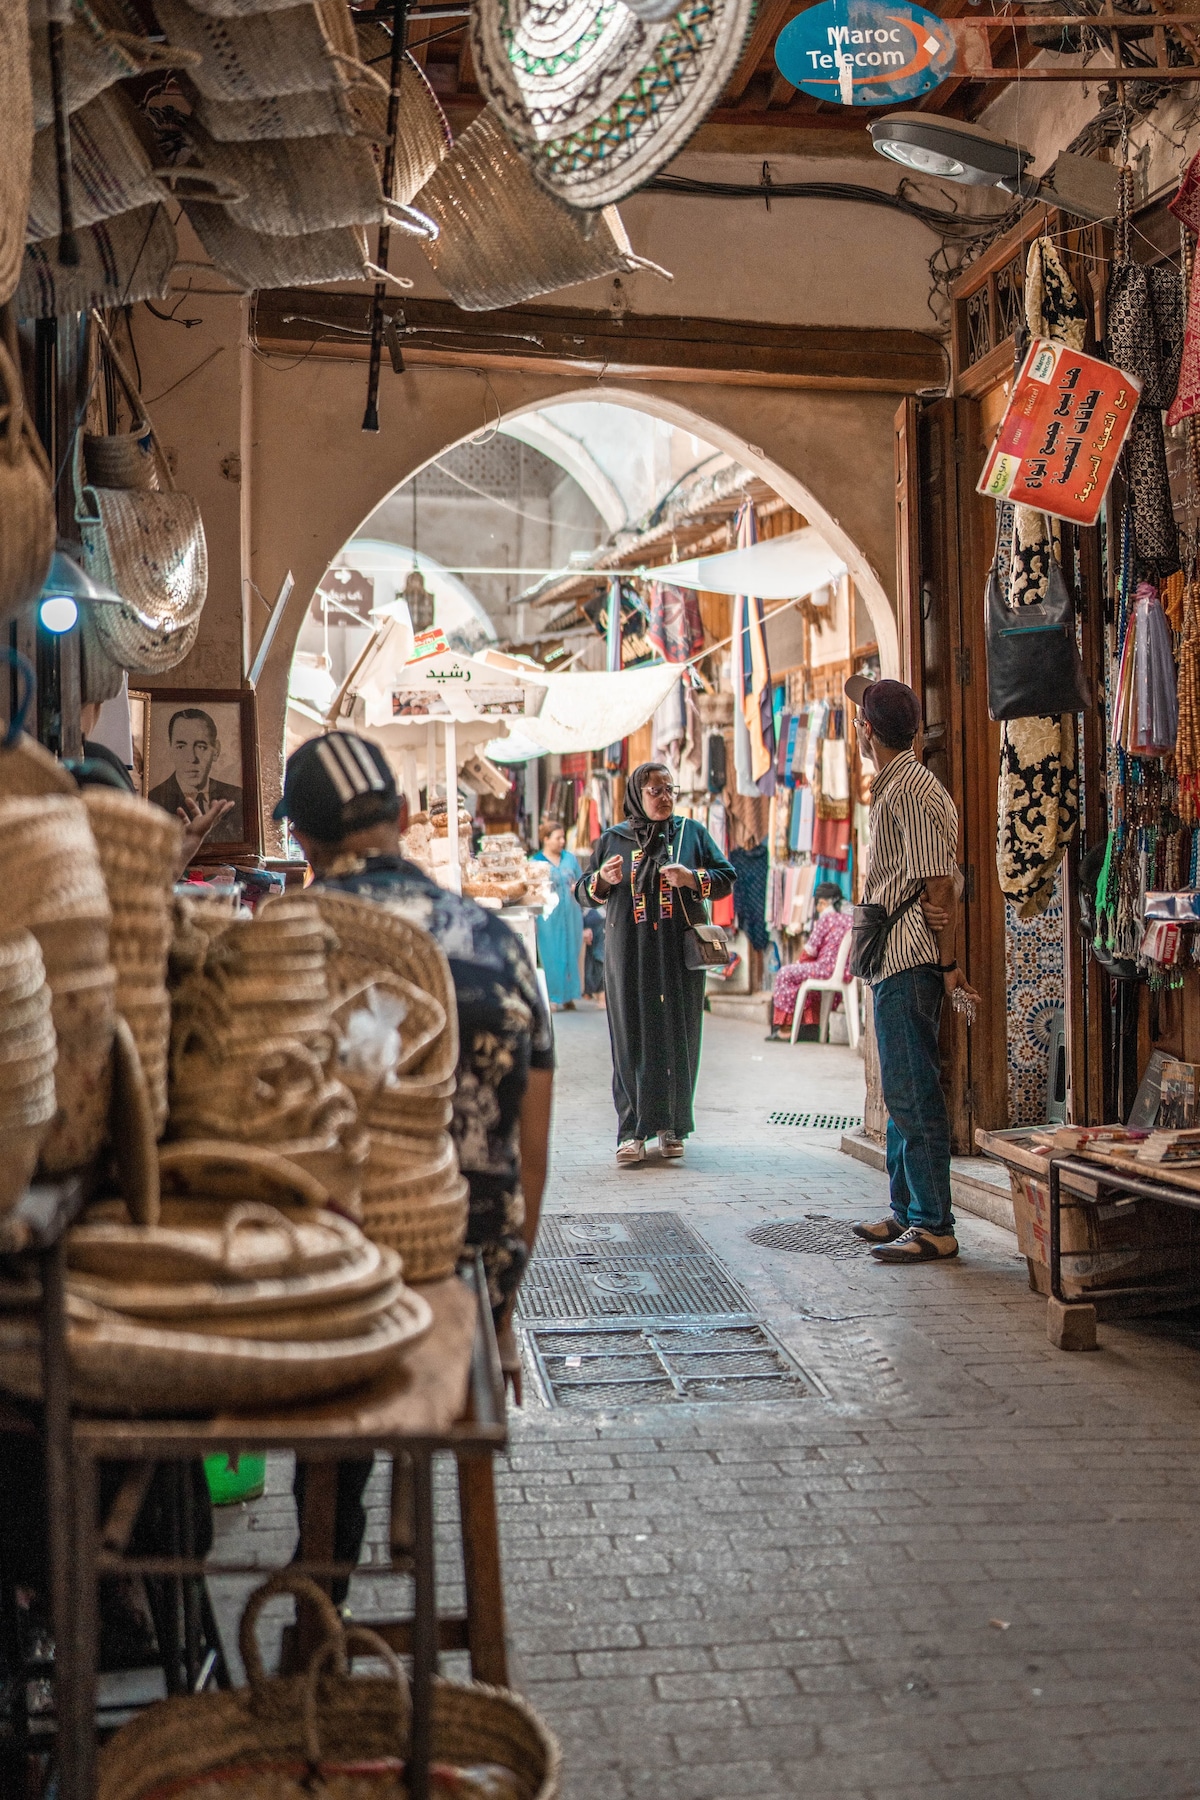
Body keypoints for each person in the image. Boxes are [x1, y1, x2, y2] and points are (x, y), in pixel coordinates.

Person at [274, 730, 555, 1599]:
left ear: (303, 841)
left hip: (335, 1285)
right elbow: (530, 1154)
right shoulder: (497, 943)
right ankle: (380, 1502)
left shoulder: (285, 943)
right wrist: (501, 1313)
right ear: (402, 815)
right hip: (467, 1270)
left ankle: (324, 1574)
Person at [844, 676, 978, 1264]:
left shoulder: (911, 791)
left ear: (868, 730)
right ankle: (906, 1212)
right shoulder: (897, 786)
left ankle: (933, 1224)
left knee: (914, 1094)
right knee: (902, 1092)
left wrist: (949, 967)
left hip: (910, 959)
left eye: (860, 720)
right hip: (896, 958)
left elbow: (939, 884)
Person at [576, 761, 735, 1166]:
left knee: (678, 1035)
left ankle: (671, 1127)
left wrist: (693, 878)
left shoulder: (690, 834)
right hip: (628, 954)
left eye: (669, 790)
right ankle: (631, 1132)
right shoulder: (614, 839)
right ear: (637, 794)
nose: (665, 798)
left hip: (677, 956)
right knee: (630, 1037)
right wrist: (603, 880)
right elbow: (582, 892)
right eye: (655, 791)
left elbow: (726, 876)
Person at [768, 881, 851, 1039]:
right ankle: (812, 1026)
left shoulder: (827, 919)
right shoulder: (849, 920)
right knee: (801, 977)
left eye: (818, 905)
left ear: (823, 903)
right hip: (845, 972)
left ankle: (786, 1030)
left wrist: (798, 964)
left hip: (825, 969)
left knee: (785, 973)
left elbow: (810, 950)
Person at [149, 707, 243, 843]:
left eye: (201, 747)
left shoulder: (237, 798)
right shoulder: (152, 802)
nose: (192, 758)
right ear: (170, 749)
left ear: (216, 750)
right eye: (181, 747)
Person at [531, 820, 584, 1010]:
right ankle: (553, 997)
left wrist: (577, 888)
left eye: (563, 838)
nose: (562, 841)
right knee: (551, 955)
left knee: (571, 952)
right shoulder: (535, 862)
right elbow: (531, 890)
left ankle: (568, 996)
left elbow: (581, 882)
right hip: (548, 917)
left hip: (571, 914)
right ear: (546, 839)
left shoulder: (570, 859)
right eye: (558, 838)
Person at [582, 903, 606, 1003]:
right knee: (594, 956)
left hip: (598, 914)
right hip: (590, 913)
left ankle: (600, 993)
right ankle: (597, 992)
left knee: (597, 956)